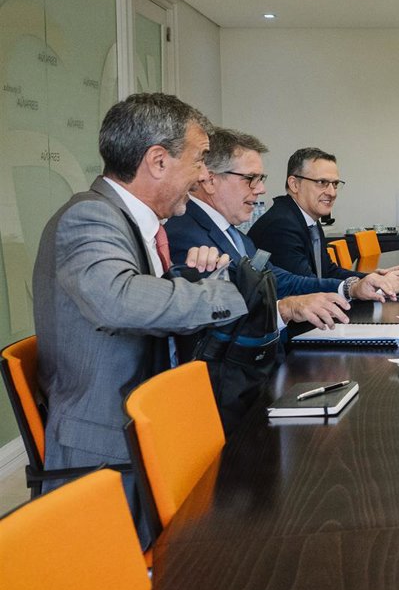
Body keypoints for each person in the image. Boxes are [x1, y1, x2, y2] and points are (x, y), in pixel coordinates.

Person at [33, 93, 247, 534]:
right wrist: (223, 293)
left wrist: (190, 277)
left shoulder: (134, 222)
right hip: (106, 450)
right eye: (199, 159)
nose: (203, 175)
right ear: (158, 160)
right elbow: (118, 299)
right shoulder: (89, 216)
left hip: (146, 425)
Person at [166, 128, 399, 326]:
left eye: (261, 179)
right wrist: (285, 309)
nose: (261, 190)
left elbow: (281, 280)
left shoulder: (235, 235)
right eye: (250, 179)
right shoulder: (185, 236)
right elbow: (212, 322)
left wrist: (352, 287)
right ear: (210, 180)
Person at [248, 147, 399, 289]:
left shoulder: (309, 221)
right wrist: (355, 287)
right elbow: (305, 288)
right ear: (294, 184)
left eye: (335, 184)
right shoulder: (281, 225)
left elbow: (327, 271)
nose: (332, 192)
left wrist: (373, 278)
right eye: (322, 182)